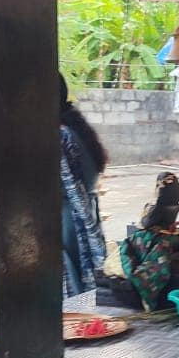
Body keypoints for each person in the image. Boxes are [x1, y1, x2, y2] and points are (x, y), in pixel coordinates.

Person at [59, 73, 108, 297]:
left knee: (74, 290)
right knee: (81, 283)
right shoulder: (74, 126)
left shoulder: (62, 134)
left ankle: (76, 328)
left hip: (69, 220)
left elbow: (66, 186)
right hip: (79, 213)